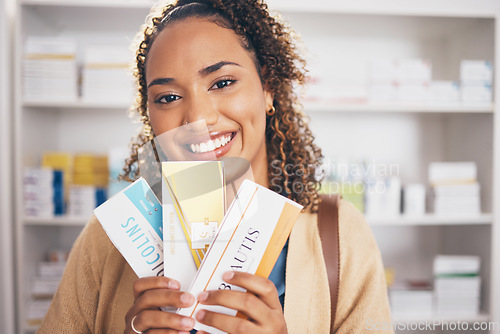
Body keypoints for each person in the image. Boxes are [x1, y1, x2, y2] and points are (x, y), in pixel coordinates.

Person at [39, 0, 393, 333]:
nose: (198, 117)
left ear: (267, 88)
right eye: (168, 97)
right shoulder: (106, 240)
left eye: (222, 83)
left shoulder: (340, 235)